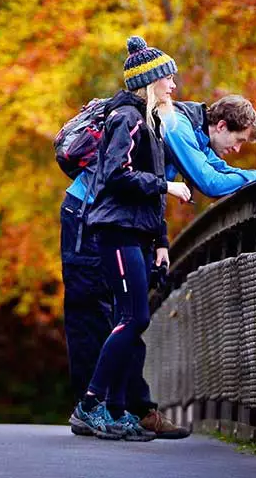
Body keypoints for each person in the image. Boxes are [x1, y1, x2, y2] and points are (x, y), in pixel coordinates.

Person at [67, 36, 190, 441]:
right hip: (114, 231)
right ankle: (90, 406)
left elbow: (147, 198)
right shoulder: (126, 118)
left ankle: (117, 410)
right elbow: (115, 176)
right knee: (133, 317)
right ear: (150, 82)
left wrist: (160, 243)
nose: (173, 85)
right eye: (167, 78)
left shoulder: (149, 121)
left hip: (134, 233)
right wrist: (165, 186)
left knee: (130, 318)